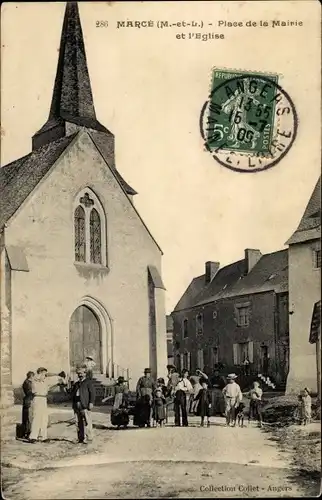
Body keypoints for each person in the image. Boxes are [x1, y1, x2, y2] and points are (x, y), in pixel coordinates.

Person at [29, 367, 66, 443]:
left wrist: (60, 378)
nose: (45, 375)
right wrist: (53, 374)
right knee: (37, 417)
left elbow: (54, 384)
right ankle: (33, 437)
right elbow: (40, 377)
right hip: (37, 398)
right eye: (43, 373)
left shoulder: (44, 382)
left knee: (44, 418)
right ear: (39, 373)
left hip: (43, 400)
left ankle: (43, 437)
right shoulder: (35, 379)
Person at [71, 365, 96, 443]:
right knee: (78, 422)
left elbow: (92, 393)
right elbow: (72, 394)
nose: (80, 375)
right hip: (77, 405)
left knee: (87, 421)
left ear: (85, 373)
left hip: (85, 404)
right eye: (78, 373)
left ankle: (89, 438)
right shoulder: (76, 384)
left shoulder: (88, 382)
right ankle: (80, 438)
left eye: (81, 373)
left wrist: (91, 402)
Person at [21, 371, 35, 439]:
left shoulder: (27, 382)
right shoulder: (27, 382)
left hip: (28, 400)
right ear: (31, 376)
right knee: (27, 418)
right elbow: (29, 392)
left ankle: (27, 433)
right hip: (28, 401)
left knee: (28, 418)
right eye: (33, 376)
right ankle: (26, 433)